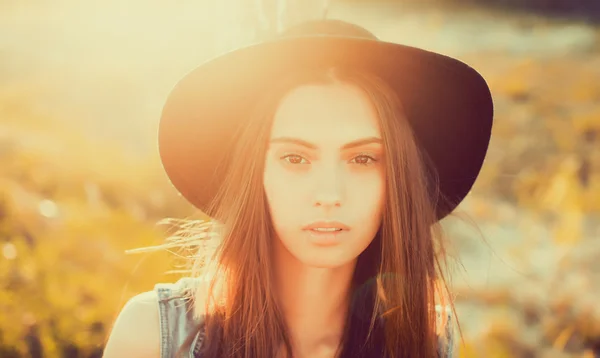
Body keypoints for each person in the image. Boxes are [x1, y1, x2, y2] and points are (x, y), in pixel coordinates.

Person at [103, 19, 493, 358]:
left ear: (398, 180)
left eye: (362, 159)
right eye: (295, 159)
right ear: (256, 174)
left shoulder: (424, 343)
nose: (328, 194)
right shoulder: (155, 337)